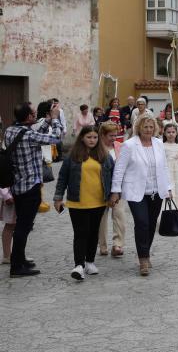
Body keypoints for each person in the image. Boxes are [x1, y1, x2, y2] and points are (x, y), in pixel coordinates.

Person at [5, 101, 64, 277]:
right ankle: (16, 266)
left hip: (17, 186)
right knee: (24, 227)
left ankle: (20, 259)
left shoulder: (11, 130)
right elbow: (57, 138)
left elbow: (34, 132)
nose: (36, 114)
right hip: (30, 187)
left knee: (22, 225)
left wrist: (45, 122)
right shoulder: (29, 136)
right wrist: (54, 119)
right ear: (29, 117)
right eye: (34, 113)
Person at [109, 115, 173, 276]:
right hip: (136, 192)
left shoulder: (158, 144)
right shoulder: (129, 145)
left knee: (151, 224)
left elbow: (164, 167)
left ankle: (145, 250)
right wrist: (115, 190)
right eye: (145, 127)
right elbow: (119, 169)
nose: (148, 130)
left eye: (151, 127)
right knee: (142, 223)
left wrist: (168, 188)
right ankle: (143, 258)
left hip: (156, 191)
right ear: (139, 128)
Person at [53, 126, 115, 280]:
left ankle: (90, 262)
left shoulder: (105, 156)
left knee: (93, 233)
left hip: (99, 202)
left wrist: (115, 194)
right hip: (77, 202)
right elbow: (62, 177)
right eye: (89, 137)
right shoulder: (72, 156)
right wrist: (58, 197)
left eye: (95, 137)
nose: (92, 140)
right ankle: (78, 265)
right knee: (81, 233)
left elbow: (113, 177)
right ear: (82, 138)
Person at [97, 122, 126, 257]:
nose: (114, 138)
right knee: (101, 218)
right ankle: (102, 246)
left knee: (119, 215)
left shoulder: (120, 146)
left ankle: (118, 244)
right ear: (102, 135)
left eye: (116, 135)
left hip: (118, 187)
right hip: (100, 187)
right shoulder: (96, 149)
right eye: (110, 135)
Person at [1, 187, 16, 265]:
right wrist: (6, 195)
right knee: (10, 225)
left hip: (17, 194)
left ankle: (17, 254)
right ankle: (7, 255)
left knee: (17, 225)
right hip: (10, 196)